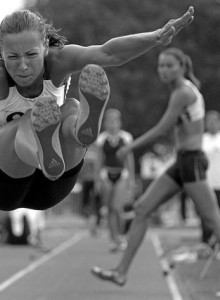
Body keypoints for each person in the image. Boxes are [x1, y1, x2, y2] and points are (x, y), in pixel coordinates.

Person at [0, 7, 194, 212]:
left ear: (45, 46)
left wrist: (155, 37)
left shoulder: (59, 61)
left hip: (54, 184)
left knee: (72, 106)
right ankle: (46, 151)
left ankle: (80, 133)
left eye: (31, 55)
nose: (22, 66)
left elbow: (109, 54)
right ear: (1, 54)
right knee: (35, 116)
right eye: (12, 57)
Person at [91, 47, 220, 286]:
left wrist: (129, 148)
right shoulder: (180, 91)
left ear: (181, 67)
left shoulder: (182, 92)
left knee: (214, 221)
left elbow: (162, 129)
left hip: (192, 161)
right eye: (160, 65)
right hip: (181, 162)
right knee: (141, 209)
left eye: (169, 65)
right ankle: (121, 272)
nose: (163, 70)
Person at [96, 108, 135, 252]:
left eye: (115, 120)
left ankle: (121, 236)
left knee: (118, 207)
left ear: (119, 122)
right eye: (109, 120)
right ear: (106, 123)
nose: (112, 123)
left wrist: (131, 180)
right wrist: (97, 180)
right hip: (106, 174)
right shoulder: (102, 138)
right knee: (110, 209)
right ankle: (113, 239)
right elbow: (99, 160)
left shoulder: (126, 138)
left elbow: (129, 159)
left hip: (121, 174)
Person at [201, 110, 220, 245]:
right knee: (206, 214)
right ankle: (207, 242)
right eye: (209, 121)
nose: (211, 123)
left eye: (214, 121)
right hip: (205, 184)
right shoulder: (202, 140)